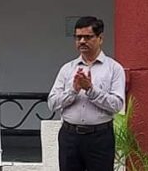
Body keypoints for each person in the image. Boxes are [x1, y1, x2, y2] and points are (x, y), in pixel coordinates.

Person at [48, 16, 125, 171]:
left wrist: (91, 90)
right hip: (70, 137)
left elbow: (117, 105)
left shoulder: (114, 69)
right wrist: (73, 90)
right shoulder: (67, 69)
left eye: (88, 37)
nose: (82, 41)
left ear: (100, 38)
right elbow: (52, 103)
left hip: (100, 137)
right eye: (78, 37)